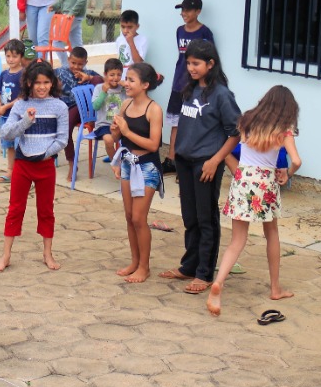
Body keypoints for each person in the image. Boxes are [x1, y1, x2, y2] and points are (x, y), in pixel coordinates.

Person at [206, 85, 300, 315]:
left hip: (242, 179)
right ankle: (275, 288)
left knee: (237, 239)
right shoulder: (284, 129)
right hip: (265, 184)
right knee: (272, 234)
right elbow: (296, 160)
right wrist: (287, 173)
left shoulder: (247, 120)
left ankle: (219, 282)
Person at [158, 40, 240, 295]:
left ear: (210, 64)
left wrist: (215, 161)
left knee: (206, 219)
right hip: (185, 161)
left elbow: (235, 133)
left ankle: (204, 273)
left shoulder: (222, 95)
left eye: (196, 63)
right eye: (189, 63)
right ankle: (189, 266)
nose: (191, 68)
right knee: (189, 217)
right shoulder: (189, 89)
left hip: (206, 164)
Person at [0, 60, 70, 272]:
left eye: (46, 82)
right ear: (28, 83)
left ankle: (47, 253)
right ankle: (6, 254)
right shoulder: (20, 105)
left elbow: (62, 139)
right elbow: (6, 133)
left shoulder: (60, 106)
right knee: (15, 208)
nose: (42, 87)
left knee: (46, 210)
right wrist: (25, 122)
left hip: (46, 165)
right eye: (37, 82)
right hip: (22, 164)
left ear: (53, 83)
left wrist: (44, 155)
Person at [111, 63, 165, 284]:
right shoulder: (125, 105)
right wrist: (115, 132)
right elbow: (117, 139)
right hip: (127, 162)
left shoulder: (154, 109)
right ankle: (134, 261)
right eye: (126, 78)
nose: (126, 83)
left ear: (145, 85)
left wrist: (126, 130)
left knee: (138, 218)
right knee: (128, 216)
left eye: (131, 80)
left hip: (147, 166)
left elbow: (154, 145)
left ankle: (145, 266)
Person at [165, 0, 214, 174]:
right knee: (175, 122)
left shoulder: (204, 33)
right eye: (182, 10)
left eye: (188, 10)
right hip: (179, 82)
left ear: (198, 11)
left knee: (192, 121)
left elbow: (210, 58)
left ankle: (188, 162)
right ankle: (171, 160)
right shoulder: (179, 30)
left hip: (195, 86)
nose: (184, 14)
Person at [54, 46, 102, 165]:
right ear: (68, 59)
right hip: (66, 109)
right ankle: (72, 162)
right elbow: (44, 74)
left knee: (97, 79)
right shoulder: (60, 72)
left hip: (84, 110)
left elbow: (105, 82)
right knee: (65, 129)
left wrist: (89, 78)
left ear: (85, 63)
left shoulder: (89, 73)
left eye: (80, 64)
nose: (76, 67)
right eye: (73, 63)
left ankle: (72, 164)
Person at [0, 39, 27, 183]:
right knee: (9, 145)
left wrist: (5, 107)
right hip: (4, 116)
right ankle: (10, 171)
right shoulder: (4, 74)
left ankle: (22, 173)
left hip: (18, 117)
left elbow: (22, 97)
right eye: (8, 56)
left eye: (14, 56)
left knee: (20, 145)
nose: (11, 59)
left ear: (21, 57)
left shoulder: (23, 75)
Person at [91, 58, 126, 162]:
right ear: (105, 75)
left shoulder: (123, 89)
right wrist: (103, 93)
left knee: (132, 137)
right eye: (112, 75)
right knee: (108, 140)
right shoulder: (99, 88)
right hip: (104, 125)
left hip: (121, 124)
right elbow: (95, 107)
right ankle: (116, 163)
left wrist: (128, 87)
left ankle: (126, 161)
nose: (116, 78)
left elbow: (132, 103)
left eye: (119, 74)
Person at [114, 9, 149, 78]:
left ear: (137, 26)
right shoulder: (119, 39)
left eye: (130, 27)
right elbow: (120, 58)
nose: (125, 31)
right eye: (123, 27)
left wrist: (131, 43)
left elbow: (138, 62)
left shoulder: (142, 40)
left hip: (134, 76)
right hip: (121, 75)